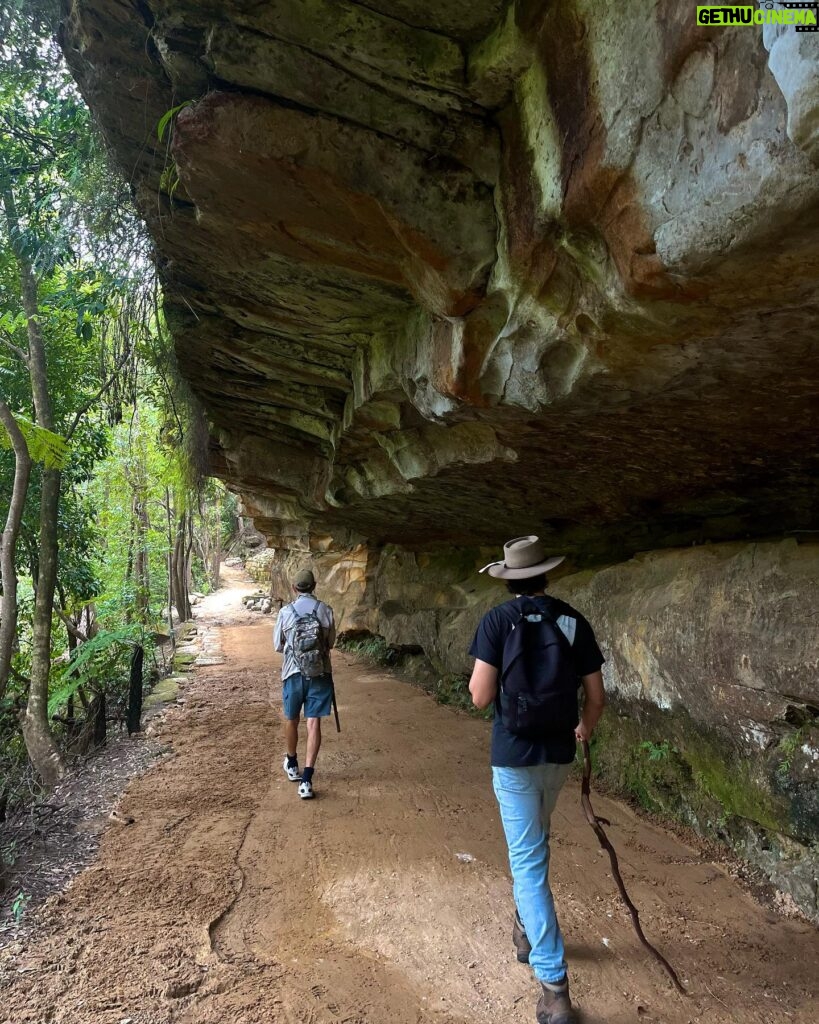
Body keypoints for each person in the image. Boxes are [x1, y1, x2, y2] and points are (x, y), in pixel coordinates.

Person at [468, 536, 605, 1024]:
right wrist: (584, 726)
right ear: (546, 574)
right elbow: (595, 694)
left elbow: (480, 697)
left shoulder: (497, 621)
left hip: (514, 756)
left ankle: (553, 986)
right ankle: (527, 930)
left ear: (508, 579)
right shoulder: (571, 619)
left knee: (528, 864)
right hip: (559, 754)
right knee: (537, 845)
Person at [273, 567, 336, 800]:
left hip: (292, 674)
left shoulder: (286, 612)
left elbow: (278, 646)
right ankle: (307, 780)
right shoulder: (325, 610)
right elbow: (330, 644)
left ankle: (291, 763)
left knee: (291, 719)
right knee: (313, 724)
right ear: (314, 586)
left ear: (294, 588)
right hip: (319, 674)